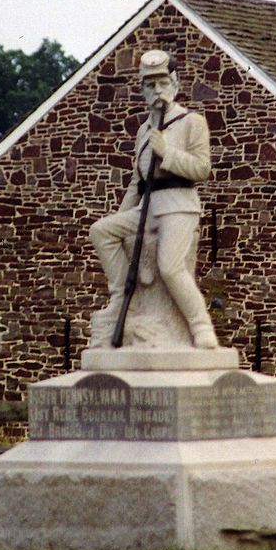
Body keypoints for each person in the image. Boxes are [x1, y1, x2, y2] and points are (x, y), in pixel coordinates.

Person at [89, 49, 218, 349]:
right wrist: (122, 220)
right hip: (147, 206)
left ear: (175, 84)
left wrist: (167, 153)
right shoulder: (144, 130)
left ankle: (201, 327)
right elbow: (137, 181)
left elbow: (202, 168)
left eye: (163, 84)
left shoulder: (191, 122)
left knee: (171, 268)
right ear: (143, 90)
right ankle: (123, 296)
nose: (157, 91)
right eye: (150, 85)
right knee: (102, 231)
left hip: (179, 204)